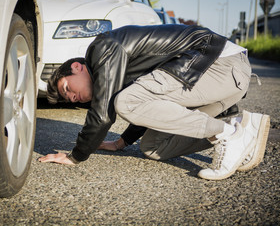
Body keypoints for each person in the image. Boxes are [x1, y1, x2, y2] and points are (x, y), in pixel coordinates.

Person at [38, 24, 270, 180]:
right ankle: (239, 128)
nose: (72, 97)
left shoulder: (102, 48)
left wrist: (75, 155)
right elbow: (151, 104)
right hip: (221, 85)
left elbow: (104, 114)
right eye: (69, 99)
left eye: (67, 88)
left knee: (125, 102)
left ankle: (227, 135)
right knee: (153, 147)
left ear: (76, 67)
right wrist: (121, 142)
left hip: (216, 63)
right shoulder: (119, 74)